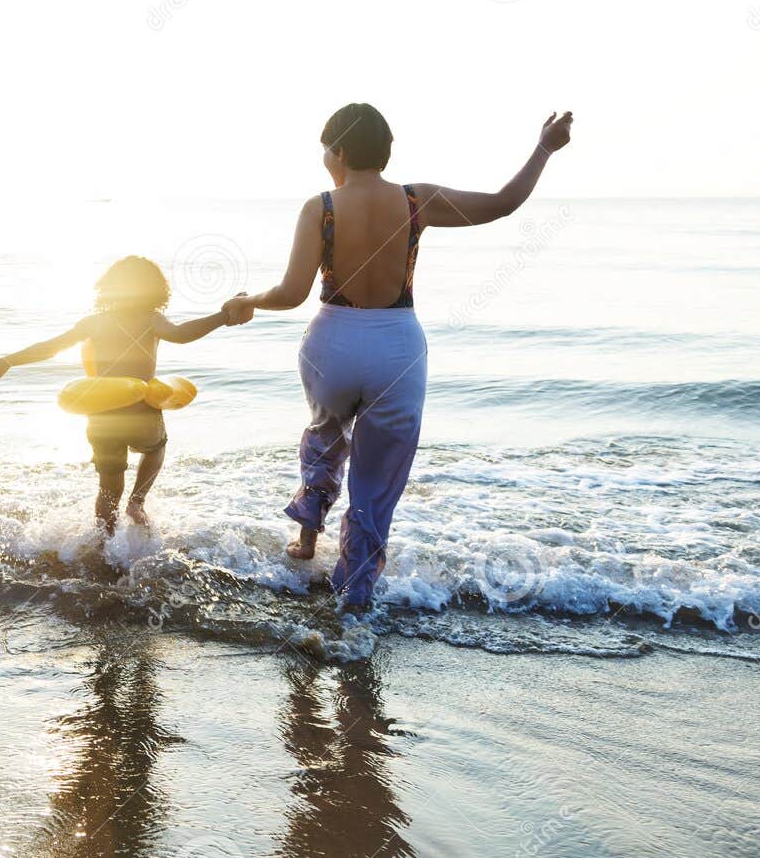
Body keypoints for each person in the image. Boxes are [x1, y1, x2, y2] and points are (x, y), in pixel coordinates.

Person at [224, 104, 574, 607]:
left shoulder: (319, 207)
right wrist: (544, 148)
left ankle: (306, 540)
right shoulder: (418, 200)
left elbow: (291, 293)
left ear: (339, 150)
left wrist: (248, 300)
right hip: (397, 348)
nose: (324, 157)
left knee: (325, 435)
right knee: (378, 474)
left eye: (326, 147)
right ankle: (355, 592)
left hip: (333, 344)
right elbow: (501, 204)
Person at [0, 256, 240, 534]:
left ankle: (104, 545)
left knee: (108, 489)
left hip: (102, 416)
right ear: (154, 290)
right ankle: (137, 502)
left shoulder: (93, 323)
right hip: (141, 411)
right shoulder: (151, 319)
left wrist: (8, 360)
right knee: (156, 448)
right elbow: (181, 334)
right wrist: (223, 317)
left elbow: (51, 348)